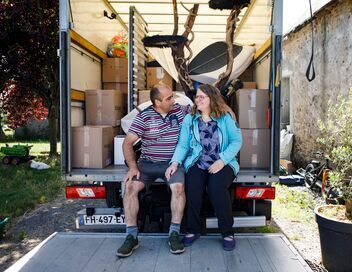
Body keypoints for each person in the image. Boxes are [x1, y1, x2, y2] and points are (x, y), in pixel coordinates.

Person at [165, 83, 242, 251]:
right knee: (192, 188)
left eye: (202, 97)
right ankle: (193, 230)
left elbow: (237, 141)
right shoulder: (190, 119)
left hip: (223, 162)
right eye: (196, 97)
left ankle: (227, 232)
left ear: (211, 99)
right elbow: (183, 145)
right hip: (197, 161)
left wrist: (222, 160)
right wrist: (175, 162)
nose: (197, 100)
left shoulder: (225, 117)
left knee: (217, 189)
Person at [116, 83, 190, 257]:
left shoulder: (180, 110)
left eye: (173, 96)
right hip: (147, 164)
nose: (174, 100)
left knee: (178, 188)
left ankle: (174, 233)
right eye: (169, 98)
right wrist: (133, 167)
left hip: (172, 164)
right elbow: (127, 143)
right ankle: (131, 236)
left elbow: (204, 109)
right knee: (130, 188)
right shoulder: (144, 117)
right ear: (157, 102)